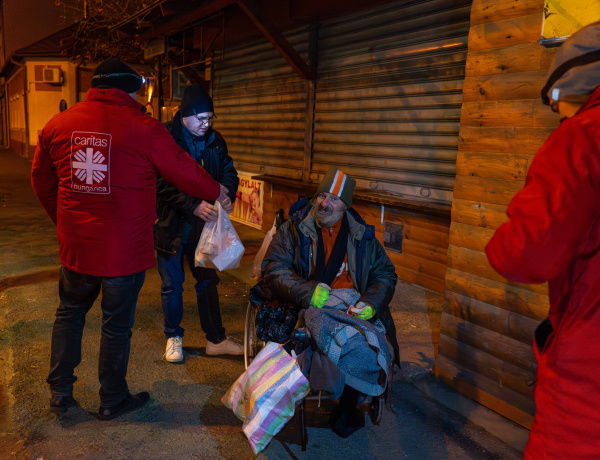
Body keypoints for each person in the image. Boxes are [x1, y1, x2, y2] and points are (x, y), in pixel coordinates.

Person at [31, 58, 228, 421]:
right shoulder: (144, 127)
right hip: (124, 250)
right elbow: (184, 171)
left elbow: (41, 181)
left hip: (77, 248)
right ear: (127, 89)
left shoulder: (58, 125)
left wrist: (65, 222)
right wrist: (217, 190)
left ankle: (60, 393)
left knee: (69, 315)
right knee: (116, 326)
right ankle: (112, 399)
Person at [485, 22, 600, 459]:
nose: (556, 112)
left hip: (587, 382)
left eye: (553, 99)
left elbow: (522, 251)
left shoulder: (583, 136)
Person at [256, 166, 399, 437]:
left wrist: (371, 303)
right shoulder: (293, 231)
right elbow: (273, 268)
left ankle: (350, 402)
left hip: (352, 303)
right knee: (339, 339)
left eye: (334, 199)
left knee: (365, 342)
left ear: (345, 205)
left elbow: (385, 274)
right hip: (309, 302)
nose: (325, 203)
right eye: (322, 196)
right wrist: (307, 291)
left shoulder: (363, 236)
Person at [154, 85, 242, 363]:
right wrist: (192, 204)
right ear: (185, 115)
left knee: (208, 283)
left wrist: (226, 193)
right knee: (172, 285)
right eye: (201, 118)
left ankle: (215, 339)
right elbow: (158, 183)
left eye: (210, 118)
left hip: (205, 228)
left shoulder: (215, 140)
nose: (206, 124)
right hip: (172, 224)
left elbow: (228, 171)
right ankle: (174, 339)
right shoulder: (165, 139)